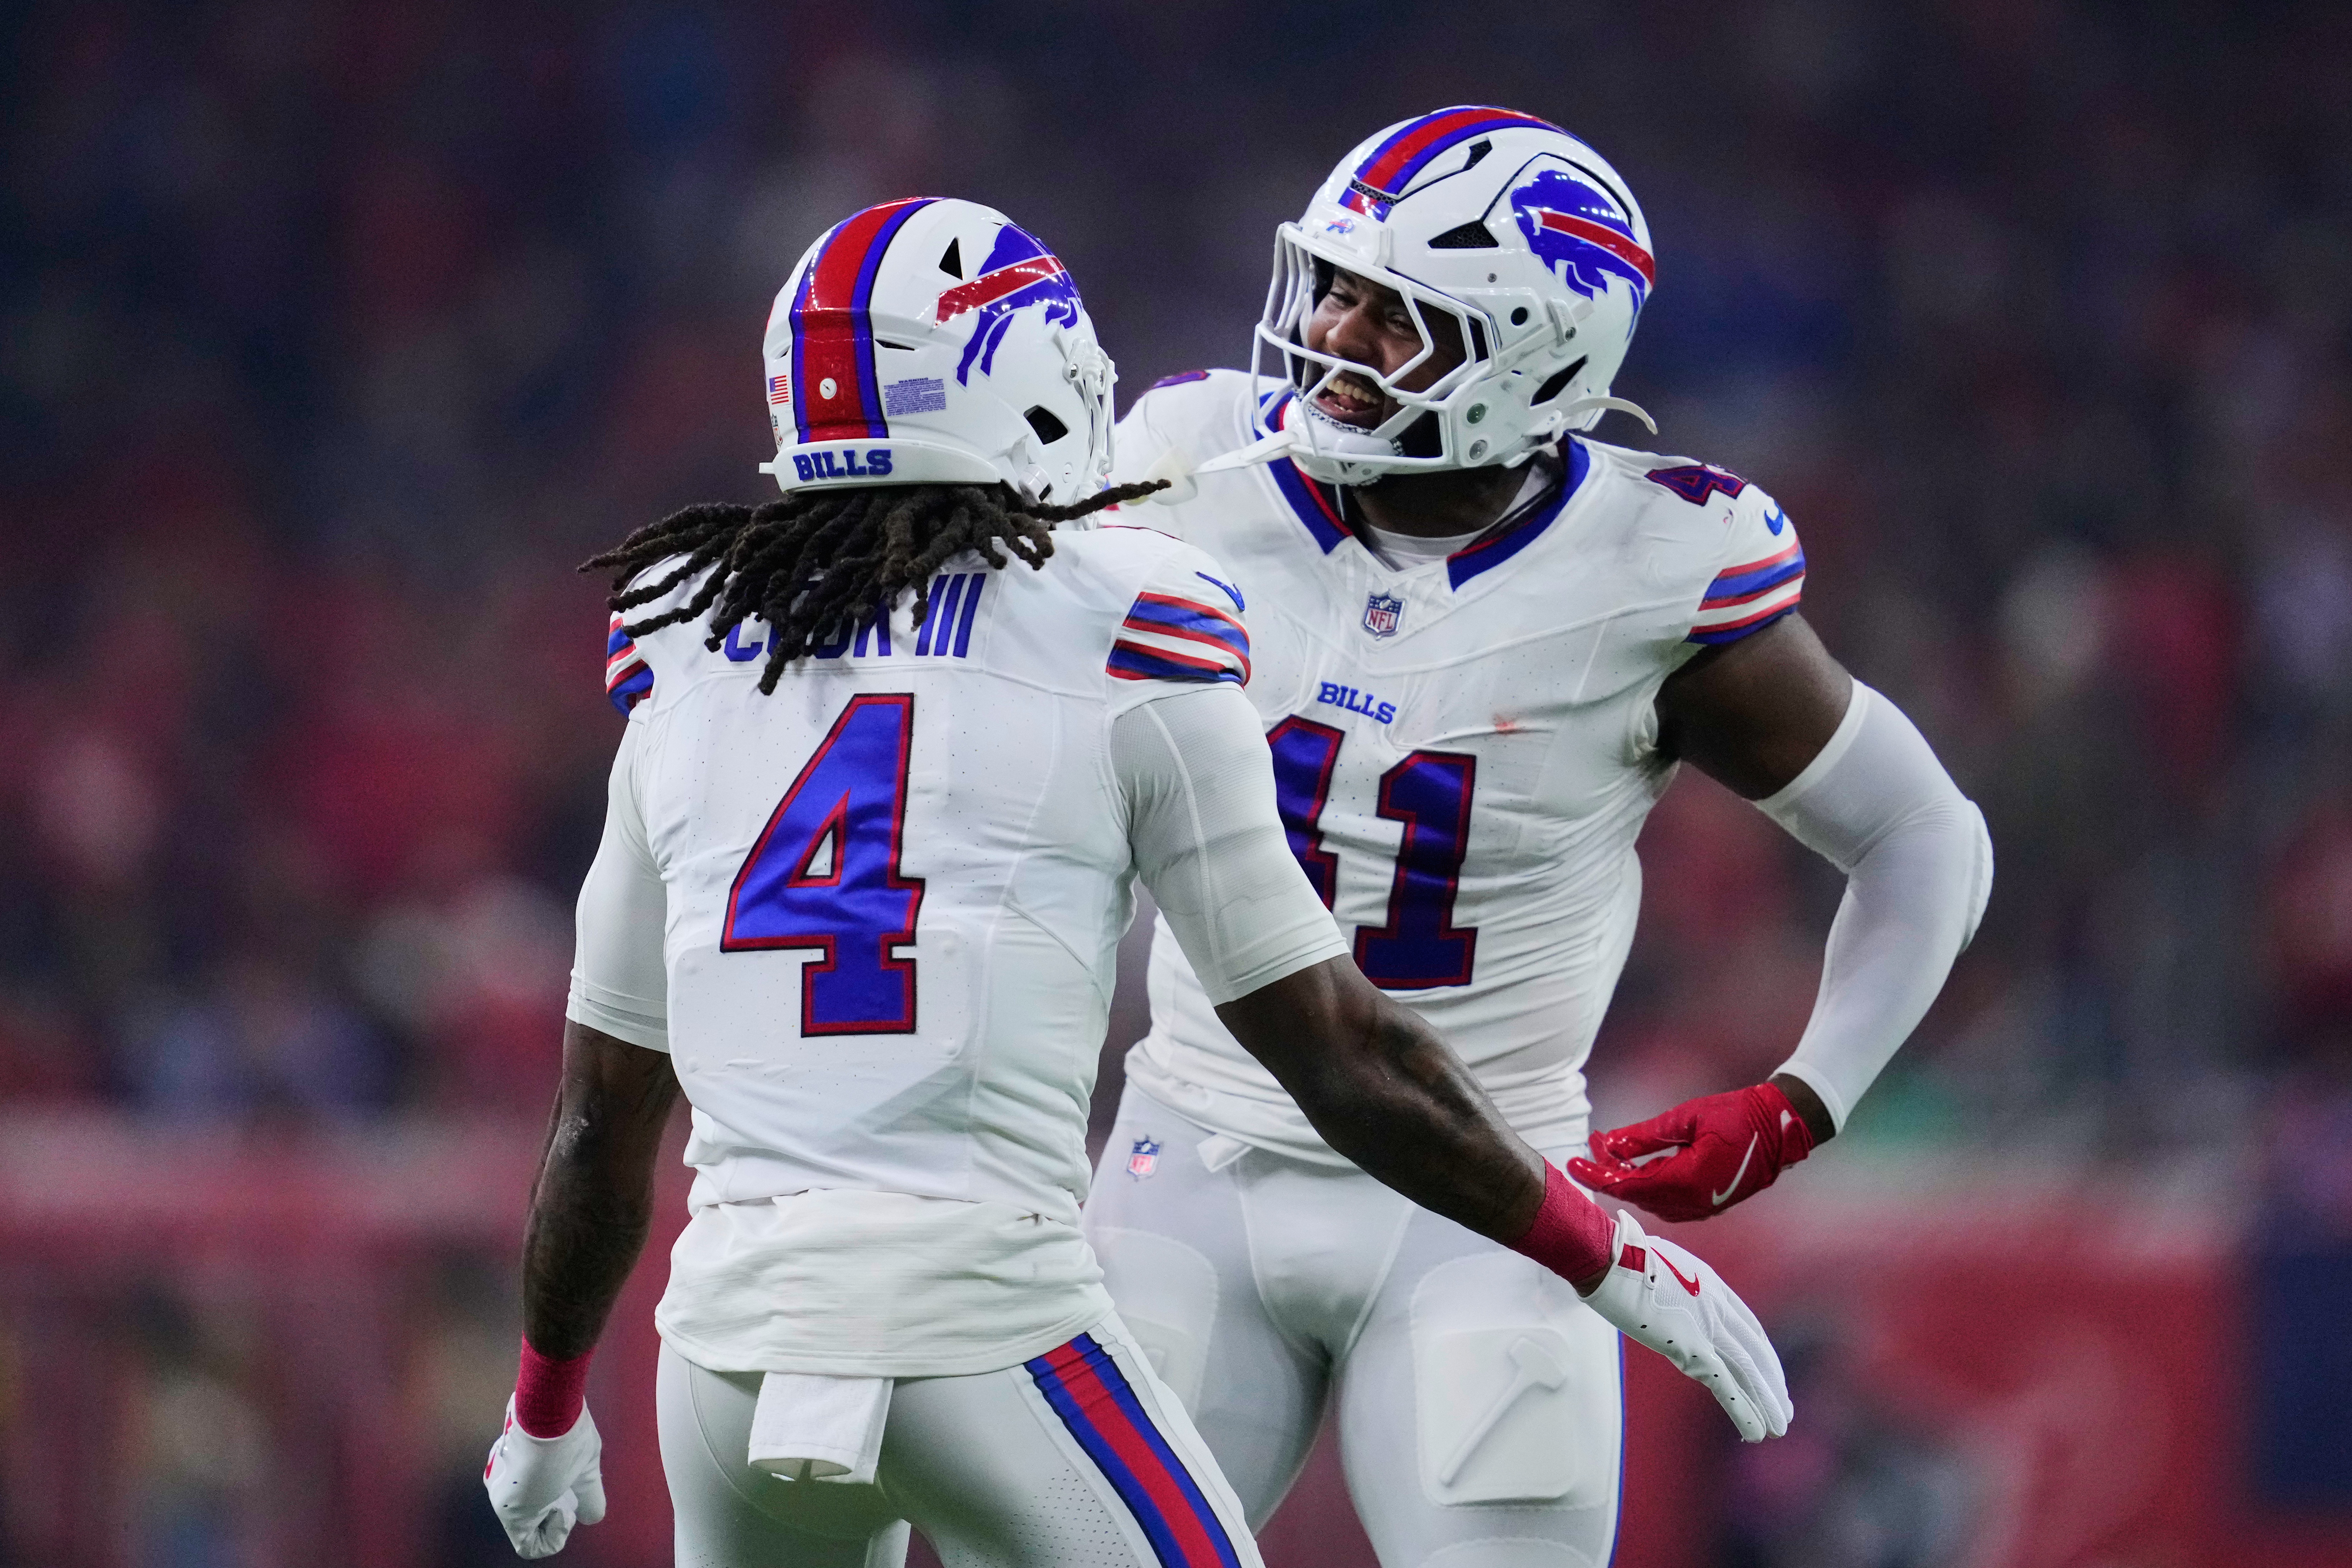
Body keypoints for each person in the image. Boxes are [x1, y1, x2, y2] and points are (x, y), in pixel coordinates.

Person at [477, 196, 1789, 1567]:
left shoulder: (687, 650)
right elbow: (1340, 1054)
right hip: (986, 1335)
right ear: (1031, 383)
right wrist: (1604, 1253)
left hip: (725, 1367)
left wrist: (546, 1407)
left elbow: (600, 1119)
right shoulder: (1128, 617)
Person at [1084, 108, 1992, 1566]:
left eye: (1395, 316)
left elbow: (1922, 838)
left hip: (1488, 1202)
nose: (1328, 328)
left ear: (1530, 355)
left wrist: (1799, 1099)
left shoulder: (1649, 568)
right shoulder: (1190, 466)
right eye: (1334, 285)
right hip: (1188, 1153)